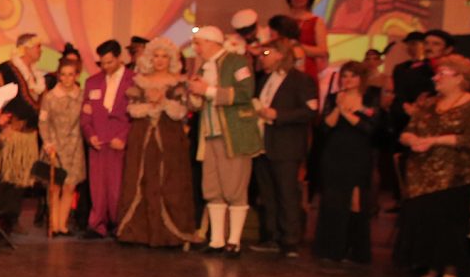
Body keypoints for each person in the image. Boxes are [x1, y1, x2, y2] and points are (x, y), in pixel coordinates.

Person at [396, 53, 470, 277]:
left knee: (450, 225)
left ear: (459, 78)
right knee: (427, 223)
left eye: (442, 74)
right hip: (422, 175)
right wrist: (412, 140)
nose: (436, 78)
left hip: (454, 175)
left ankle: (450, 272)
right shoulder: (429, 103)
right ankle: (431, 267)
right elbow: (407, 131)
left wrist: (435, 140)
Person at [186, 25, 260, 255]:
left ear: (211, 42)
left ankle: (233, 241)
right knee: (213, 188)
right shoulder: (204, 67)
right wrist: (195, 94)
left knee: (234, 187)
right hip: (209, 135)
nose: (196, 48)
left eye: (199, 43)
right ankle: (217, 240)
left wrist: (208, 91)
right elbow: (200, 103)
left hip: (233, 135)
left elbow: (245, 92)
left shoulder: (236, 62)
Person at [115, 37, 197, 248]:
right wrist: (149, 104)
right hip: (142, 134)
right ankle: (138, 232)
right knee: (141, 177)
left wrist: (162, 102)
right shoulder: (140, 81)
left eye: (164, 56)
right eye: (156, 56)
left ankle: (169, 232)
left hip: (169, 135)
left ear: (171, 59)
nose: (160, 60)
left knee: (169, 180)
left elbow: (181, 111)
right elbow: (132, 108)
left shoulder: (177, 82)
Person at [250, 39, 319, 257]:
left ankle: (290, 240)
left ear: (280, 54)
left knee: (286, 193)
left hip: (286, 146)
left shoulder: (301, 80)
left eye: (266, 53)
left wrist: (278, 115)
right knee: (267, 193)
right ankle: (271, 236)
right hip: (263, 144)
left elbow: (310, 111)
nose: (262, 58)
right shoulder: (264, 79)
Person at [313, 61, 383, 264]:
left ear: (361, 78)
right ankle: (332, 248)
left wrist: (348, 113)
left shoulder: (370, 98)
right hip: (334, 153)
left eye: (353, 76)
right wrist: (338, 107)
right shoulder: (334, 97)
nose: (348, 80)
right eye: (345, 76)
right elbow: (325, 127)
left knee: (356, 199)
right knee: (332, 198)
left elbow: (369, 128)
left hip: (358, 153)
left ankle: (354, 247)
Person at [80, 40, 133, 237]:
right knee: (98, 187)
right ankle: (97, 224)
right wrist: (90, 135)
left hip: (120, 140)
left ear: (119, 58)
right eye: (102, 63)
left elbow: (136, 115)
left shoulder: (134, 80)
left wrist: (124, 137)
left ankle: (120, 223)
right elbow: (85, 113)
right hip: (98, 140)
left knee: (118, 186)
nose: (105, 67)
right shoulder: (92, 82)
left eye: (110, 62)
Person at [0, 34, 45, 230]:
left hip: (29, 134)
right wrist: (2, 124)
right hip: (11, 131)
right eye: (37, 46)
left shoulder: (36, 75)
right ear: (25, 48)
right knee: (5, 176)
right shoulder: (6, 69)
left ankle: (12, 220)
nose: (40, 51)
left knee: (21, 179)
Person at [39, 57, 85, 236]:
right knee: (55, 186)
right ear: (59, 76)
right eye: (63, 75)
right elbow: (43, 122)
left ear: (76, 76)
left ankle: (62, 224)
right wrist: (48, 143)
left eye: (70, 75)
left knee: (70, 186)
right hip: (55, 146)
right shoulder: (50, 97)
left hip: (74, 146)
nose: (67, 78)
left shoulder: (81, 96)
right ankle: (54, 223)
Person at [282, 0, 325, 84]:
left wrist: (298, 46)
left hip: (307, 69)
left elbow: (323, 50)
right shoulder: (283, 21)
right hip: (284, 68)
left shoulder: (316, 21)